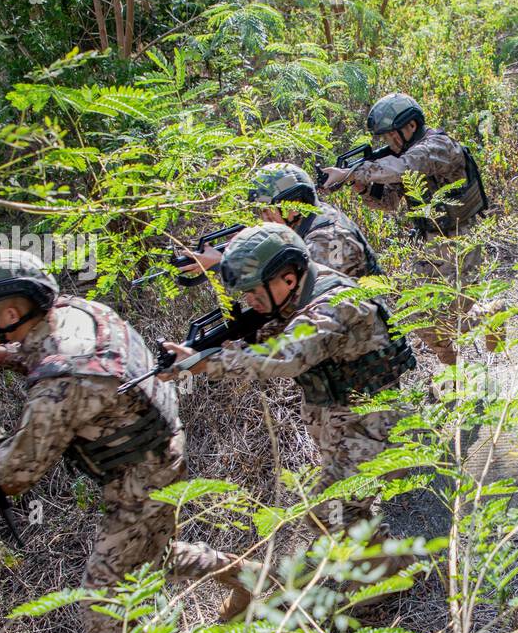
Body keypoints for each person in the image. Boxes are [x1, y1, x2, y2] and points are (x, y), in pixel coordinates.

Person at [0, 249, 247, 633]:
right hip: (161, 449)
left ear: (10, 313)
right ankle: (251, 578)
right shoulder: (75, 310)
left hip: (141, 477)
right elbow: (59, 353)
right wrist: (3, 356)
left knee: (102, 601)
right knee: (152, 556)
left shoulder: (60, 386)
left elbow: (13, 476)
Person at [159, 223, 415, 597]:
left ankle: (389, 577)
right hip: (346, 425)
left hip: (379, 428)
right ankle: (387, 565)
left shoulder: (336, 304)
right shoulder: (296, 291)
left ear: (289, 278)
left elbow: (288, 357)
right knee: (337, 513)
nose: (249, 302)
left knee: (329, 511)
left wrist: (209, 363)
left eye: (253, 291)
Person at [319, 93, 492, 365]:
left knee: (451, 315)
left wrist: (354, 172)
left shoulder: (438, 146)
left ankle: (488, 314)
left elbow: (403, 167)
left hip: (462, 238)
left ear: (410, 126)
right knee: (416, 314)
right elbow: (388, 203)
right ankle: (452, 373)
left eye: (391, 136)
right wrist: (360, 186)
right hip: (431, 242)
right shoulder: (403, 155)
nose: (389, 143)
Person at [178, 162, 381, 280]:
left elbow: (306, 284)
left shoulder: (329, 237)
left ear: (293, 205)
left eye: (268, 211)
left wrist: (226, 264)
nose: (264, 219)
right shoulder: (305, 222)